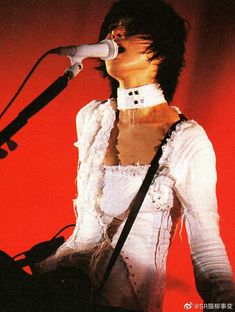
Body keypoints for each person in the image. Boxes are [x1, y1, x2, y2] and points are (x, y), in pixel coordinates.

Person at [37, 0, 235, 311]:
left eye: (131, 29)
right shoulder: (91, 118)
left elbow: (207, 249)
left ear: (163, 51)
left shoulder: (187, 140)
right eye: (113, 27)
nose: (116, 34)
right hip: (64, 292)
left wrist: (223, 304)